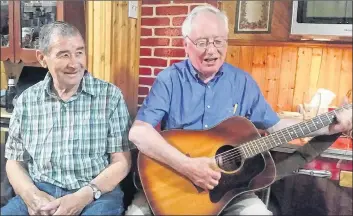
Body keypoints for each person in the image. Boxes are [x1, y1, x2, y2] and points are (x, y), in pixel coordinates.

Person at [126, 4, 352, 216]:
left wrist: (330, 125)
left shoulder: (242, 82)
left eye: (218, 41)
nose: (212, 50)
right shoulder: (169, 80)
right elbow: (139, 133)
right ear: (186, 44)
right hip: (173, 183)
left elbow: (277, 127)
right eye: (202, 42)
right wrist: (188, 166)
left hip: (229, 193)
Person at [1, 21, 135, 215]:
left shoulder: (110, 96)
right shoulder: (26, 101)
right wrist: (32, 196)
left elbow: (122, 161)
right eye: (64, 55)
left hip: (95, 194)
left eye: (79, 53)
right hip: (41, 190)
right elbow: (14, 162)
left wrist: (83, 197)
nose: (74, 63)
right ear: (42, 58)